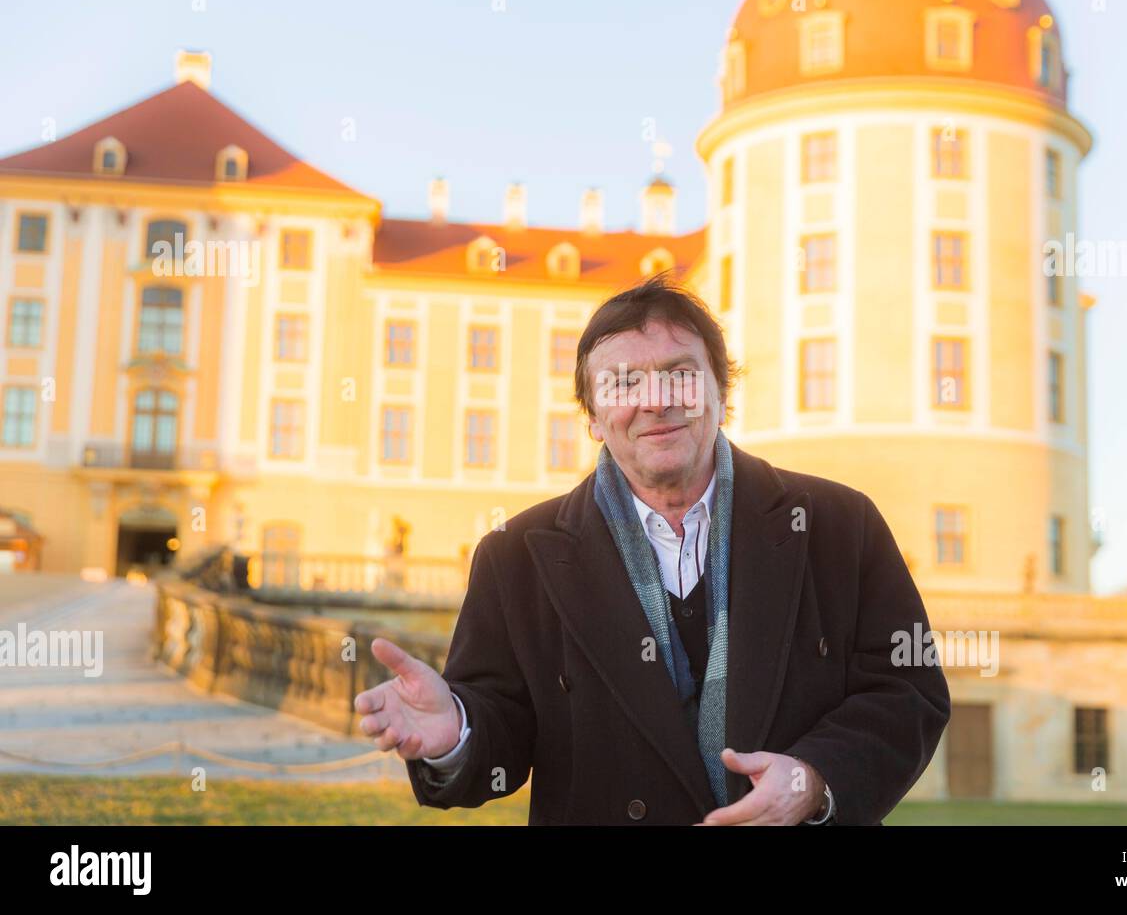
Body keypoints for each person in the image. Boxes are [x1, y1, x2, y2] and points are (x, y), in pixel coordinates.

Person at [354, 273, 950, 824]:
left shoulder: (841, 525)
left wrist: (814, 778)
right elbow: (502, 732)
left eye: (681, 372)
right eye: (623, 382)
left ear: (723, 392)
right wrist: (457, 732)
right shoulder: (514, 558)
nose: (656, 399)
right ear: (593, 417)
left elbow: (907, 691)